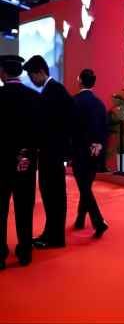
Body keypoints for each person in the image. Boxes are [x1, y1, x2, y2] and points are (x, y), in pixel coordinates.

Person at [23, 55, 74, 249]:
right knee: (52, 194)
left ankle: (54, 237)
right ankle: (52, 234)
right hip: (53, 151)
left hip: (51, 152)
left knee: (53, 195)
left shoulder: (53, 91)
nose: (32, 80)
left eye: (31, 75)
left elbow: (55, 123)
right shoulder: (54, 89)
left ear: (40, 72)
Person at [0, 55, 40, 269]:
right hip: (26, 159)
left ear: (3, 73)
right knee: (24, 205)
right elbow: (40, 131)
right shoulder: (34, 97)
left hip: (1, 160)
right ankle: (25, 251)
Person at [71, 69, 109, 238]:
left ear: (79, 80)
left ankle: (98, 221)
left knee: (84, 187)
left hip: (80, 151)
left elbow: (72, 130)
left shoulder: (75, 102)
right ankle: (80, 219)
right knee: (85, 186)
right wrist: (99, 147)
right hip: (96, 151)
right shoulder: (99, 104)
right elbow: (104, 130)